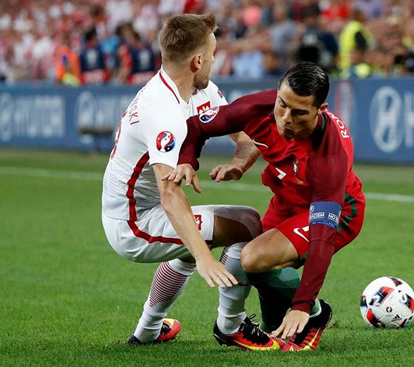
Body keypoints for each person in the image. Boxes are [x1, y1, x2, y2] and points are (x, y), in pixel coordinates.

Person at [101, 13, 283, 351]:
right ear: (198, 60)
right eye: (213, 56)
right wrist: (203, 256)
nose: (214, 61)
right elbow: (170, 194)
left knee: (196, 233)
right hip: (131, 224)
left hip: (148, 208)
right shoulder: (161, 110)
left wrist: (239, 164)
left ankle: (147, 331)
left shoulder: (200, 91)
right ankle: (231, 326)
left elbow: (244, 136)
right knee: (247, 224)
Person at [166, 62, 366, 352]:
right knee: (254, 264)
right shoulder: (256, 108)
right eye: (282, 105)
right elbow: (196, 126)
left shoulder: (329, 156)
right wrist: (188, 160)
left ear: (320, 110)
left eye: (298, 113)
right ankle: (275, 326)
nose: (285, 118)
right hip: (286, 200)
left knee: (252, 257)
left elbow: (322, 238)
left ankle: (316, 315)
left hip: (339, 211)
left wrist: (302, 304)